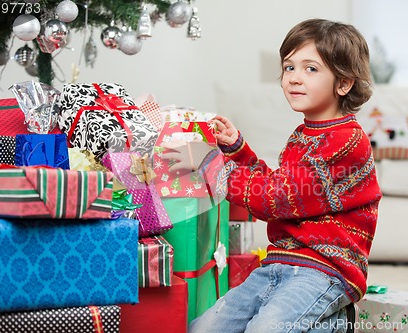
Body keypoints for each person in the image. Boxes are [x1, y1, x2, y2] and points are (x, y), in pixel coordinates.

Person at [161, 18, 382, 333]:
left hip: (325, 270)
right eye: (289, 67)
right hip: (279, 262)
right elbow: (282, 189)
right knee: (203, 329)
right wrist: (239, 150)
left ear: (343, 83)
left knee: (266, 329)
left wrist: (210, 164)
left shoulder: (344, 141)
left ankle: (333, 324)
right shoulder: (303, 135)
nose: (294, 78)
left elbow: (273, 199)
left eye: (311, 69)